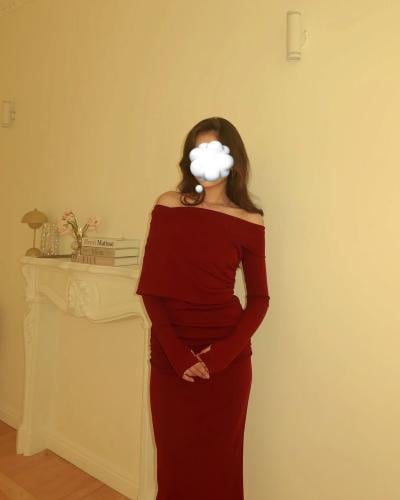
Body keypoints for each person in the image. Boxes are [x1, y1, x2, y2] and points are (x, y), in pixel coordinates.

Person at [135, 116, 270, 500]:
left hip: (226, 364)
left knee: (220, 471)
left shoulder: (249, 220)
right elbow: (151, 291)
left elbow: (259, 299)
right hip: (171, 358)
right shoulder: (168, 205)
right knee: (174, 469)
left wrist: (220, 356)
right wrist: (179, 355)